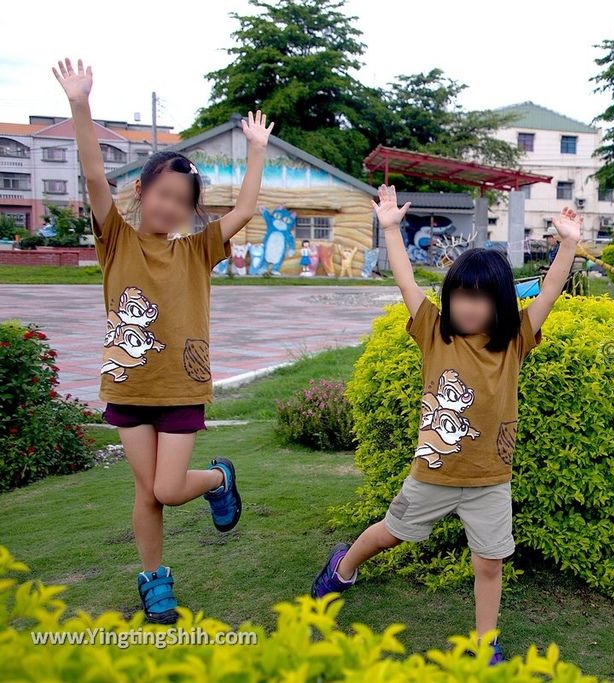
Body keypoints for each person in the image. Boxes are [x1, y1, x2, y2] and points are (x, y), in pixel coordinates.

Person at [311, 185, 582, 664]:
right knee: (390, 532)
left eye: (482, 299)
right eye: (461, 296)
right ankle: (343, 566)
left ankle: (484, 647)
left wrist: (567, 245)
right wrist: (392, 229)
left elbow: (552, 290)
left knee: (489, 562)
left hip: (490, 481)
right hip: (432, 474)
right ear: (449, 297)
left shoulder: (515, 338)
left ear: (501, 303)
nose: (470, 307)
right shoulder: (435, 332)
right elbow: (405, 282)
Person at [53, 58, 274, 623]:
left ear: (190, 208)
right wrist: (80, 105)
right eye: (162, 193)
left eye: (182, 199)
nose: (170, 206)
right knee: (147, 492)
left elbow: (246, 209)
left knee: (170, 487)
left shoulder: (197, 250)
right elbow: (95, 177)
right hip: (128, 387)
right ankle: (155, 581)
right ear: (143, 192)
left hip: (179, 387)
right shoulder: (115, 241)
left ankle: (218, 479)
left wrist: (255, 150)